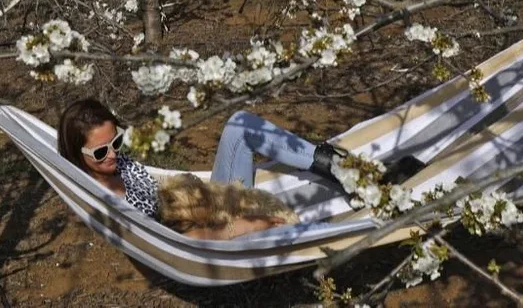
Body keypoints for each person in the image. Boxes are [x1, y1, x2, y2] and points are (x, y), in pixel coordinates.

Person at [56, 98, 347, 232]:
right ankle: (336, 231)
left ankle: (331, 163)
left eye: (116, 142)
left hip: (213, 200)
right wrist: (243, 226)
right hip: (210, 232)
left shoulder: (119, 165)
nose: (112, 155)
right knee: (280, 228)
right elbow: (180, 239)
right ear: (76, 153)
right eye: (99, 152)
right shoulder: (104, 201)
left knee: (240, 123)